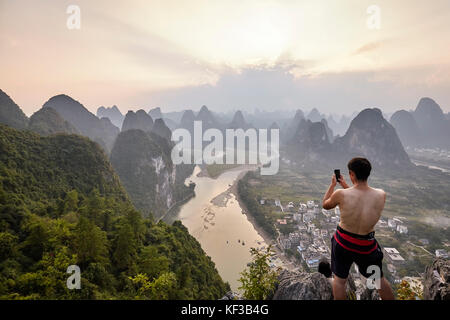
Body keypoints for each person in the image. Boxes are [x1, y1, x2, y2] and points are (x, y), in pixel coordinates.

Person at [322, 157, 394, 300]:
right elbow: (360, 197)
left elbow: (325, 204)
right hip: (366, 247)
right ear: (368, 173)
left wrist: (332, 185)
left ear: (351, 174)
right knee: (379, 280)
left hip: (343, 244)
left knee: (339, 281)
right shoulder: (381, 195)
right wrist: (346, 184)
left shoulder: (341, 194)